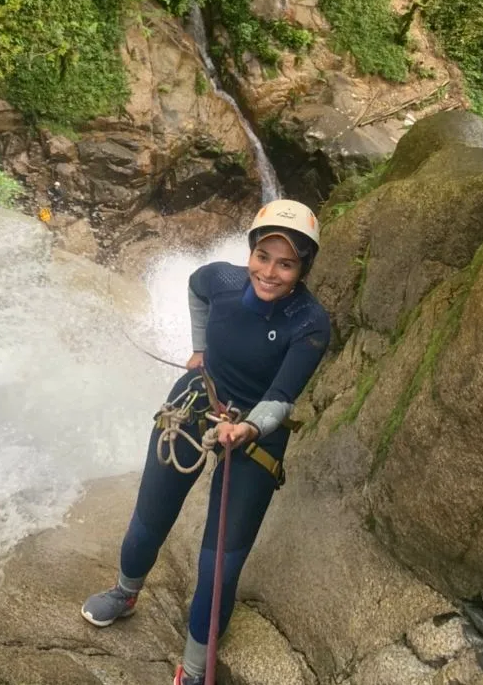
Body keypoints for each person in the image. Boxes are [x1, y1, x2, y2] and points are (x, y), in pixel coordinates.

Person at [81, 199, 331, 685]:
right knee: (151, 515)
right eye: (263, 257)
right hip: (198, 399)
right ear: (250, 253)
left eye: (287, 263)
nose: (271, 272)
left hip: (256, 430)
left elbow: (282, 398)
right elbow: (195, 287)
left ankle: (194, 671)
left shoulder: (310, 322)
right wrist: (198, 349)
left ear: (304, 267)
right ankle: (125, 592)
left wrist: (248, 428)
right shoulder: (221, 279)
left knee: (221, 562)